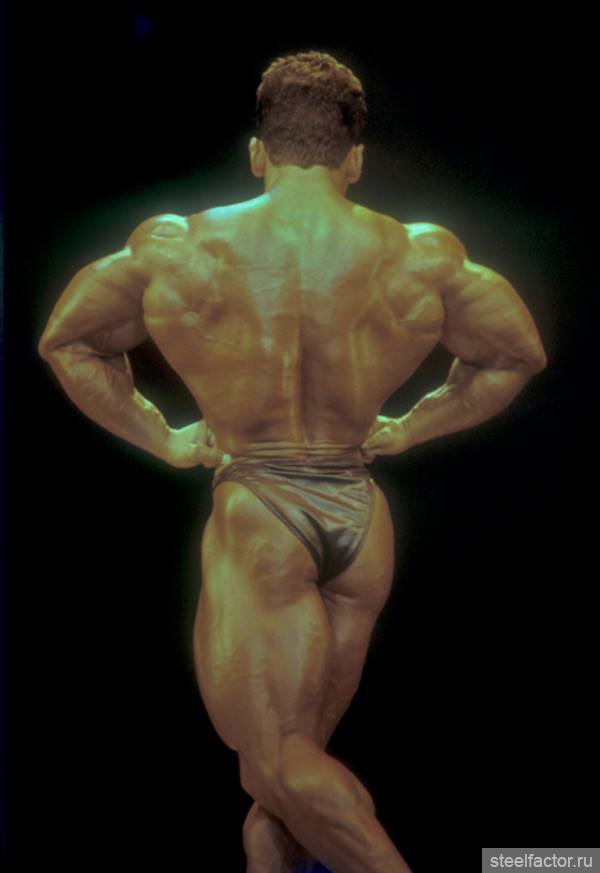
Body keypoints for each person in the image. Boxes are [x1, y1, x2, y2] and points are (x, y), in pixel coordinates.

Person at [38, 49, 547, 873]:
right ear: (355, 159)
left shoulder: (179, 247)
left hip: (263, 512)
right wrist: (412, 427)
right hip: (361, 517)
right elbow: (517, 355)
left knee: (279, 764)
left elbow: (67, 341)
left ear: (256, 152)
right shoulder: (422, 254)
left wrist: (164, 438)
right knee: (280, 784)